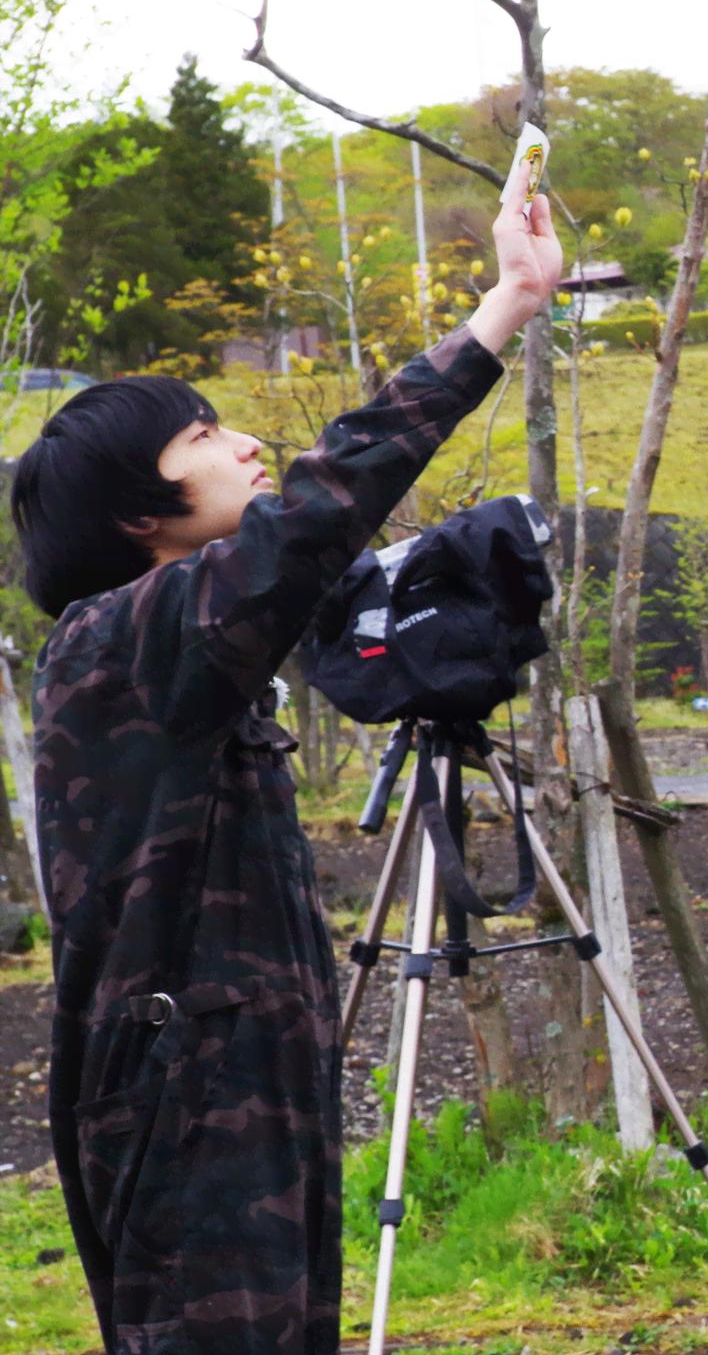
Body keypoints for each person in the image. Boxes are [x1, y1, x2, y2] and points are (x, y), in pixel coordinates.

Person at [17, 158, 561, 1353]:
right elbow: (319, 510)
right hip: (187, 1100)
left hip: (239, 1081)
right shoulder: (120, 638)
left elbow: (321, 573)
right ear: (132, 510)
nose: (249, 442)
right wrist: (499, 314)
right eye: (207, 434)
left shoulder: (179, 654)